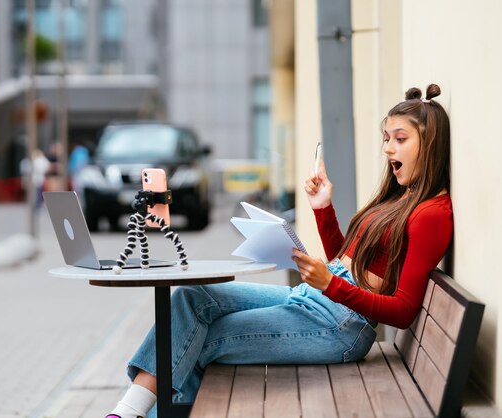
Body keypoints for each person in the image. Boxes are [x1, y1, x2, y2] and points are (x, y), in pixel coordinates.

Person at [105, 84, 453, 418]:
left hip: (339, 326)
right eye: (386, 139)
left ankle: (132, 413)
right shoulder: (398, 198)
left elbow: (404, 312)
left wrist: (330, 284)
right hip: (313, 301)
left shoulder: (431, 215)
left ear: (430, 143)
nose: (388, 149)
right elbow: (347, 259)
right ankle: (129, 411)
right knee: (191, 298)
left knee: (199, 339)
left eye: (400, 139)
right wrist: (322, 209)